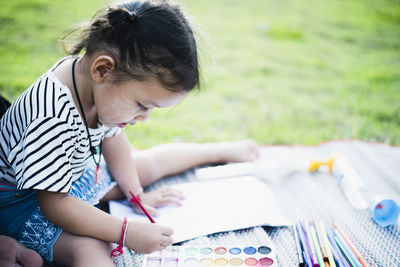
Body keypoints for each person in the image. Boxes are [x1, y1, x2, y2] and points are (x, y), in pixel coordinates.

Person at [0, 0, 259, 266]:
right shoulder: (51, 116)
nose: (143, 118)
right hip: (25, 202)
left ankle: (215, 151)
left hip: (67, 179)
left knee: (142, 166)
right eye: (141, 105)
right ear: (102, 69)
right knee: (92, 246)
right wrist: (124, 231)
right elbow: (55, 204)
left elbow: (114, 139)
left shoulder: (99, 86)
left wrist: (136, 193)